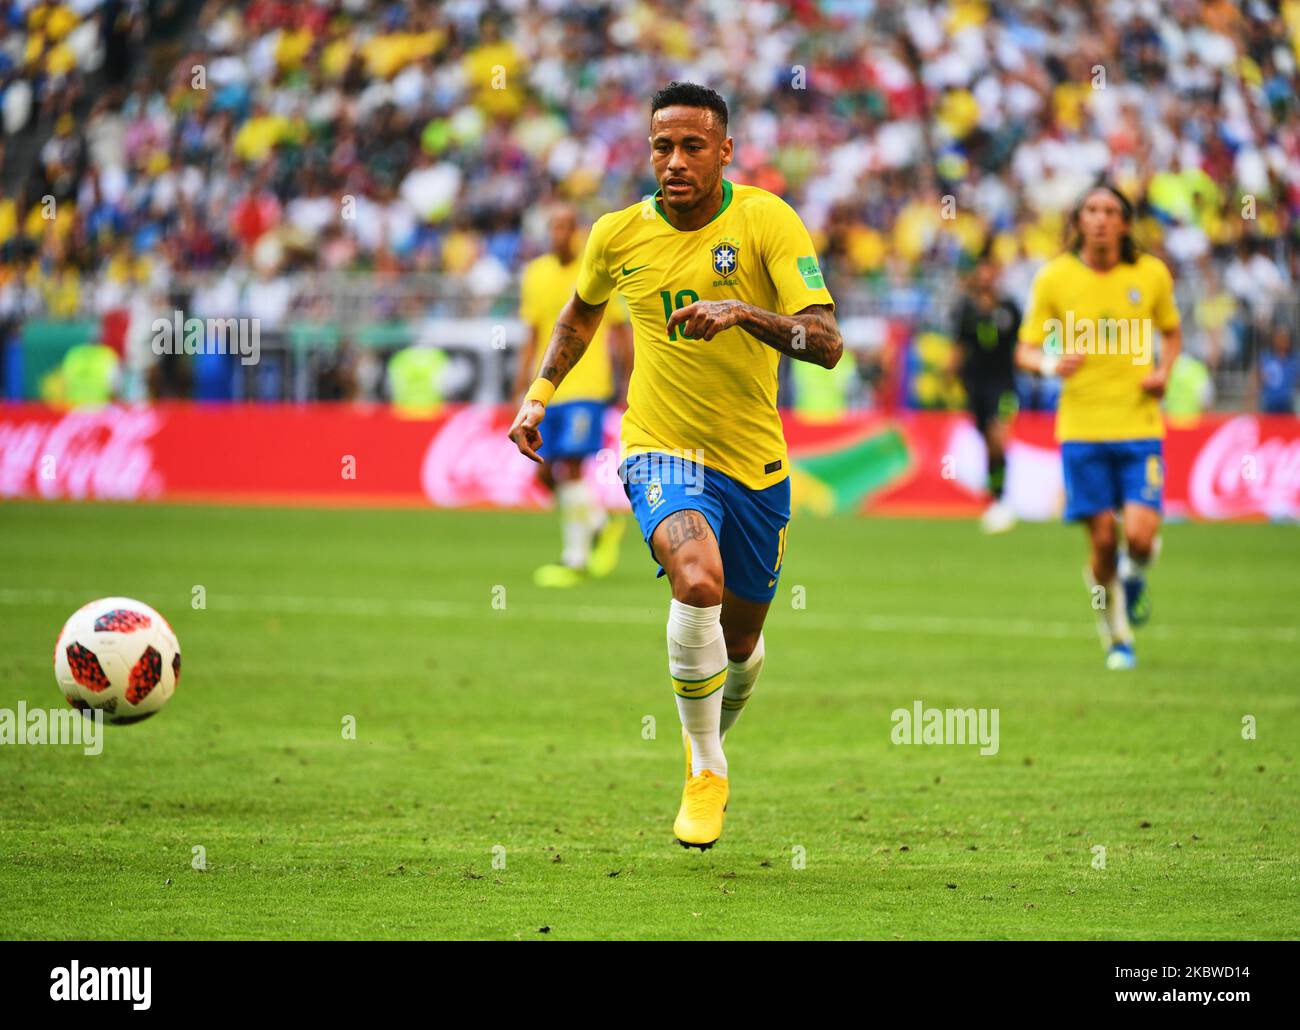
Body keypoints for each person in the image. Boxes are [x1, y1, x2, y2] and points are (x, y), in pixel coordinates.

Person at [507, 82, 843, 849]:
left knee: (742, 648)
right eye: (663, 146)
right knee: (696, 577)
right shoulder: (618, 234)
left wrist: (743, 313)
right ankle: (706, 766)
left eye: (694, 145)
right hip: (662, 449)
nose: (676, 160)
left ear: (726, 151)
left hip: (755, 464)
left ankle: (708, 730)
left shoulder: (766, 220)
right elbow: (582, 308)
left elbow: (826, 344)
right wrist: (539, 393)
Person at [1015, 181, 1182, 671]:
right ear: (1079, 220)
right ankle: (1117, 637)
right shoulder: (1054, 278)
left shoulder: (1151, 275)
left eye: (1111, 210)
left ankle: (1135, 575)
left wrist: (1164, 372)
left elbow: (1172, 333)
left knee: (1141, 537)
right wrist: (1049, 365)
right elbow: (1025, 349)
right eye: (1092, 209)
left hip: (1140, 425)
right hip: (1082, 429)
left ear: (1125, 222)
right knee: (1102, 543)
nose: (1101, 218)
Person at [512, 203, 631, 587]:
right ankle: (599, 521)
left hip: (587, 385)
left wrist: (628, 376)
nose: (560, 233)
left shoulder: (595, 270)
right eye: (554, 227)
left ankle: (574, 560)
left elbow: (617, 331)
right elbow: (531, 333)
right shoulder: (535, 275)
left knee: (575, 469)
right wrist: (522, 381)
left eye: (566, 226)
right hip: (549, 387)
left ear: (577, 230)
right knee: (547, 473)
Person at [952, 251, 1021, 533]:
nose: (985, 276)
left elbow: (1022, 345)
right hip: (976, 385)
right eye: (981, 271)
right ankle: (995, 494)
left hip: (1003, 384)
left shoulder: (1010, 308)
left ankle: (1001, 500)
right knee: (987, 440)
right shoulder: (966, 310)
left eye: (990, 270)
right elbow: (959, 349)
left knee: (997, 435)